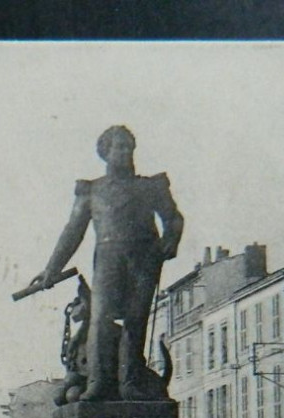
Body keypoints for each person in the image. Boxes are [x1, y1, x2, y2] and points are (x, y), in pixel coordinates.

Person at [23, 125, 184, 401]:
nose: (125, 152)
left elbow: (173, 218)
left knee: (136, 319)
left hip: (144, 258)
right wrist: (52, 268)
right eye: (118, 147)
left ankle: (130, 382)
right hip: (108, 258)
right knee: (100, 318)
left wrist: (171, 240)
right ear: (105, 152)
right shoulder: (92, 191)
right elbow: (73, 231)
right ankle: (97, 383)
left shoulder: (150, 187)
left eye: (128, 147)